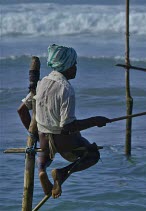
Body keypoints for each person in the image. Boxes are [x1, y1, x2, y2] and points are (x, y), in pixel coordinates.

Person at [17, 44, 110, 199]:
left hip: (43, 138)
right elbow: (67, 127)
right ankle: (62, 173)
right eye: (73, 64)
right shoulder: (66, 88)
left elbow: (21, 110)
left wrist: (33, 134)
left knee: (46, 156)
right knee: (93, 155)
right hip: (63, 140)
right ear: (66, 66)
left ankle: (41, 170)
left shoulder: (41, 83)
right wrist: (95, 120)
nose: (75, 68)